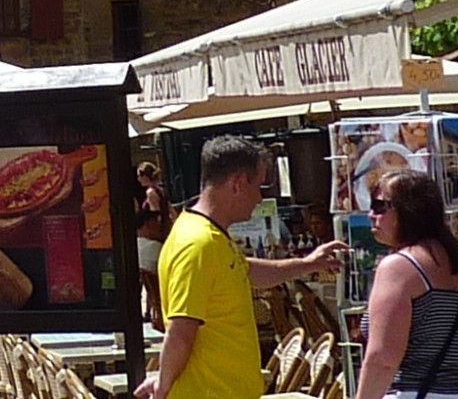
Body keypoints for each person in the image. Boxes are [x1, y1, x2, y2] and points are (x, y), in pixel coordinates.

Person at [136, 136, 346, 399]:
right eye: (258, 186)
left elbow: (247, 271)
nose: (260, 197)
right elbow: (181, 332)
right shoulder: (198, 243)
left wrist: (307, 263)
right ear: (237, 184)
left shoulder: (209, 235)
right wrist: (163, 387)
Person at [354, 172, 458, 399]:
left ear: (408, 210)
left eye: (379, 206)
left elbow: (383, 359)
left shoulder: (399, 267)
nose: (371, 215)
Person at [135, 162, 173, 331]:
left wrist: (140, 219)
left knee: (147, 277)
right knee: (151, 278)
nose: (138, 179)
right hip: (157, 239)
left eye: (139, 175)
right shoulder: (161, 191)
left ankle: (154, 313)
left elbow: (155, 214)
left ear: (145, 176)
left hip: (149, 238)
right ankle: (151, 312)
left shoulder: (150, 193)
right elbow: (171, 213)